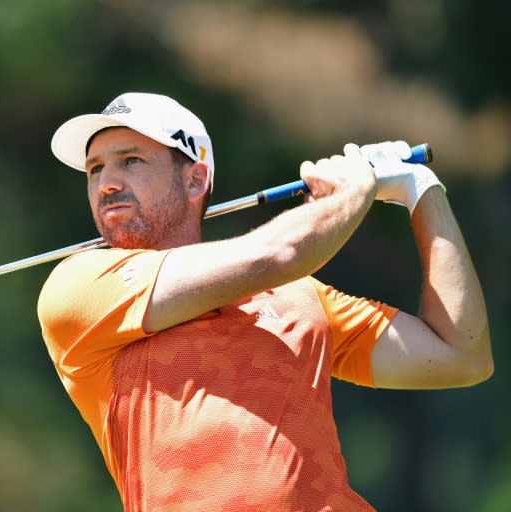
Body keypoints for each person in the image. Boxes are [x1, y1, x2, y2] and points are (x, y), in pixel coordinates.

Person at [37, 92, 492, 511]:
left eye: (131, 161)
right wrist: (356, 191)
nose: (108, 183)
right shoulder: (80, 287)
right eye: (96, 169)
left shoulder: (300, 294)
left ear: (196, 180)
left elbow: (459, 354)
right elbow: (279, 254)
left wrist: (422, 191)